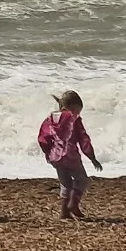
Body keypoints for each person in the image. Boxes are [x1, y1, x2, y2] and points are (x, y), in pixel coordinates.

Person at [38, 90, 102, 220]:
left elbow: (43, 138)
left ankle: (64, 212)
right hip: (71, 156)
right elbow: (84, 140)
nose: (77, 114)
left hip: (55, 157)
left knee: (65, 183)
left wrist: (48, 152)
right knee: (82, 180)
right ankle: (73, 203)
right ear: (69, 108)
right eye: (77, 111)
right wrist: (92, 157)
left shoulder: (50, 119)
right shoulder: (74, 119)